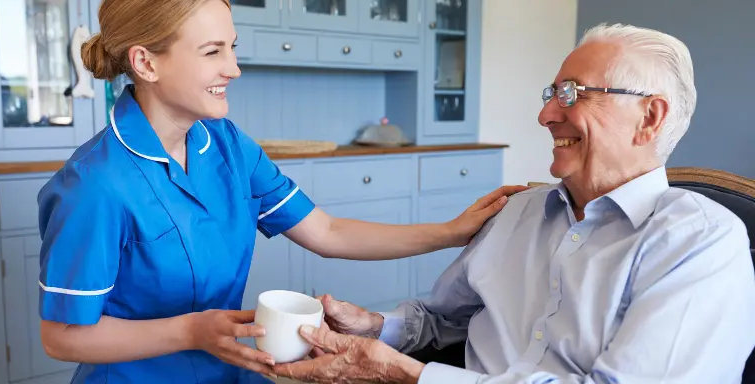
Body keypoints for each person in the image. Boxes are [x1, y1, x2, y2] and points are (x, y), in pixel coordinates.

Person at [35, 0, 527, 383]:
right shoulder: (94, 184)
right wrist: (189, 330)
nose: (234, 68)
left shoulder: (228, 147)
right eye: (213, 52)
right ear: (146, 62)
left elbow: (329, 231)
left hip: (232, 371)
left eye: (232, 46)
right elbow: (61, 337)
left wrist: (449, 232)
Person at [271, 23, 755, 384]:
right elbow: (444, 319)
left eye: (572, 94)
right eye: (552, 93)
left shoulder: (700, 242)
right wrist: (376, 325)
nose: (546, 114)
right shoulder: (520, 211)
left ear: (649, 117)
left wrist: (409, 376)